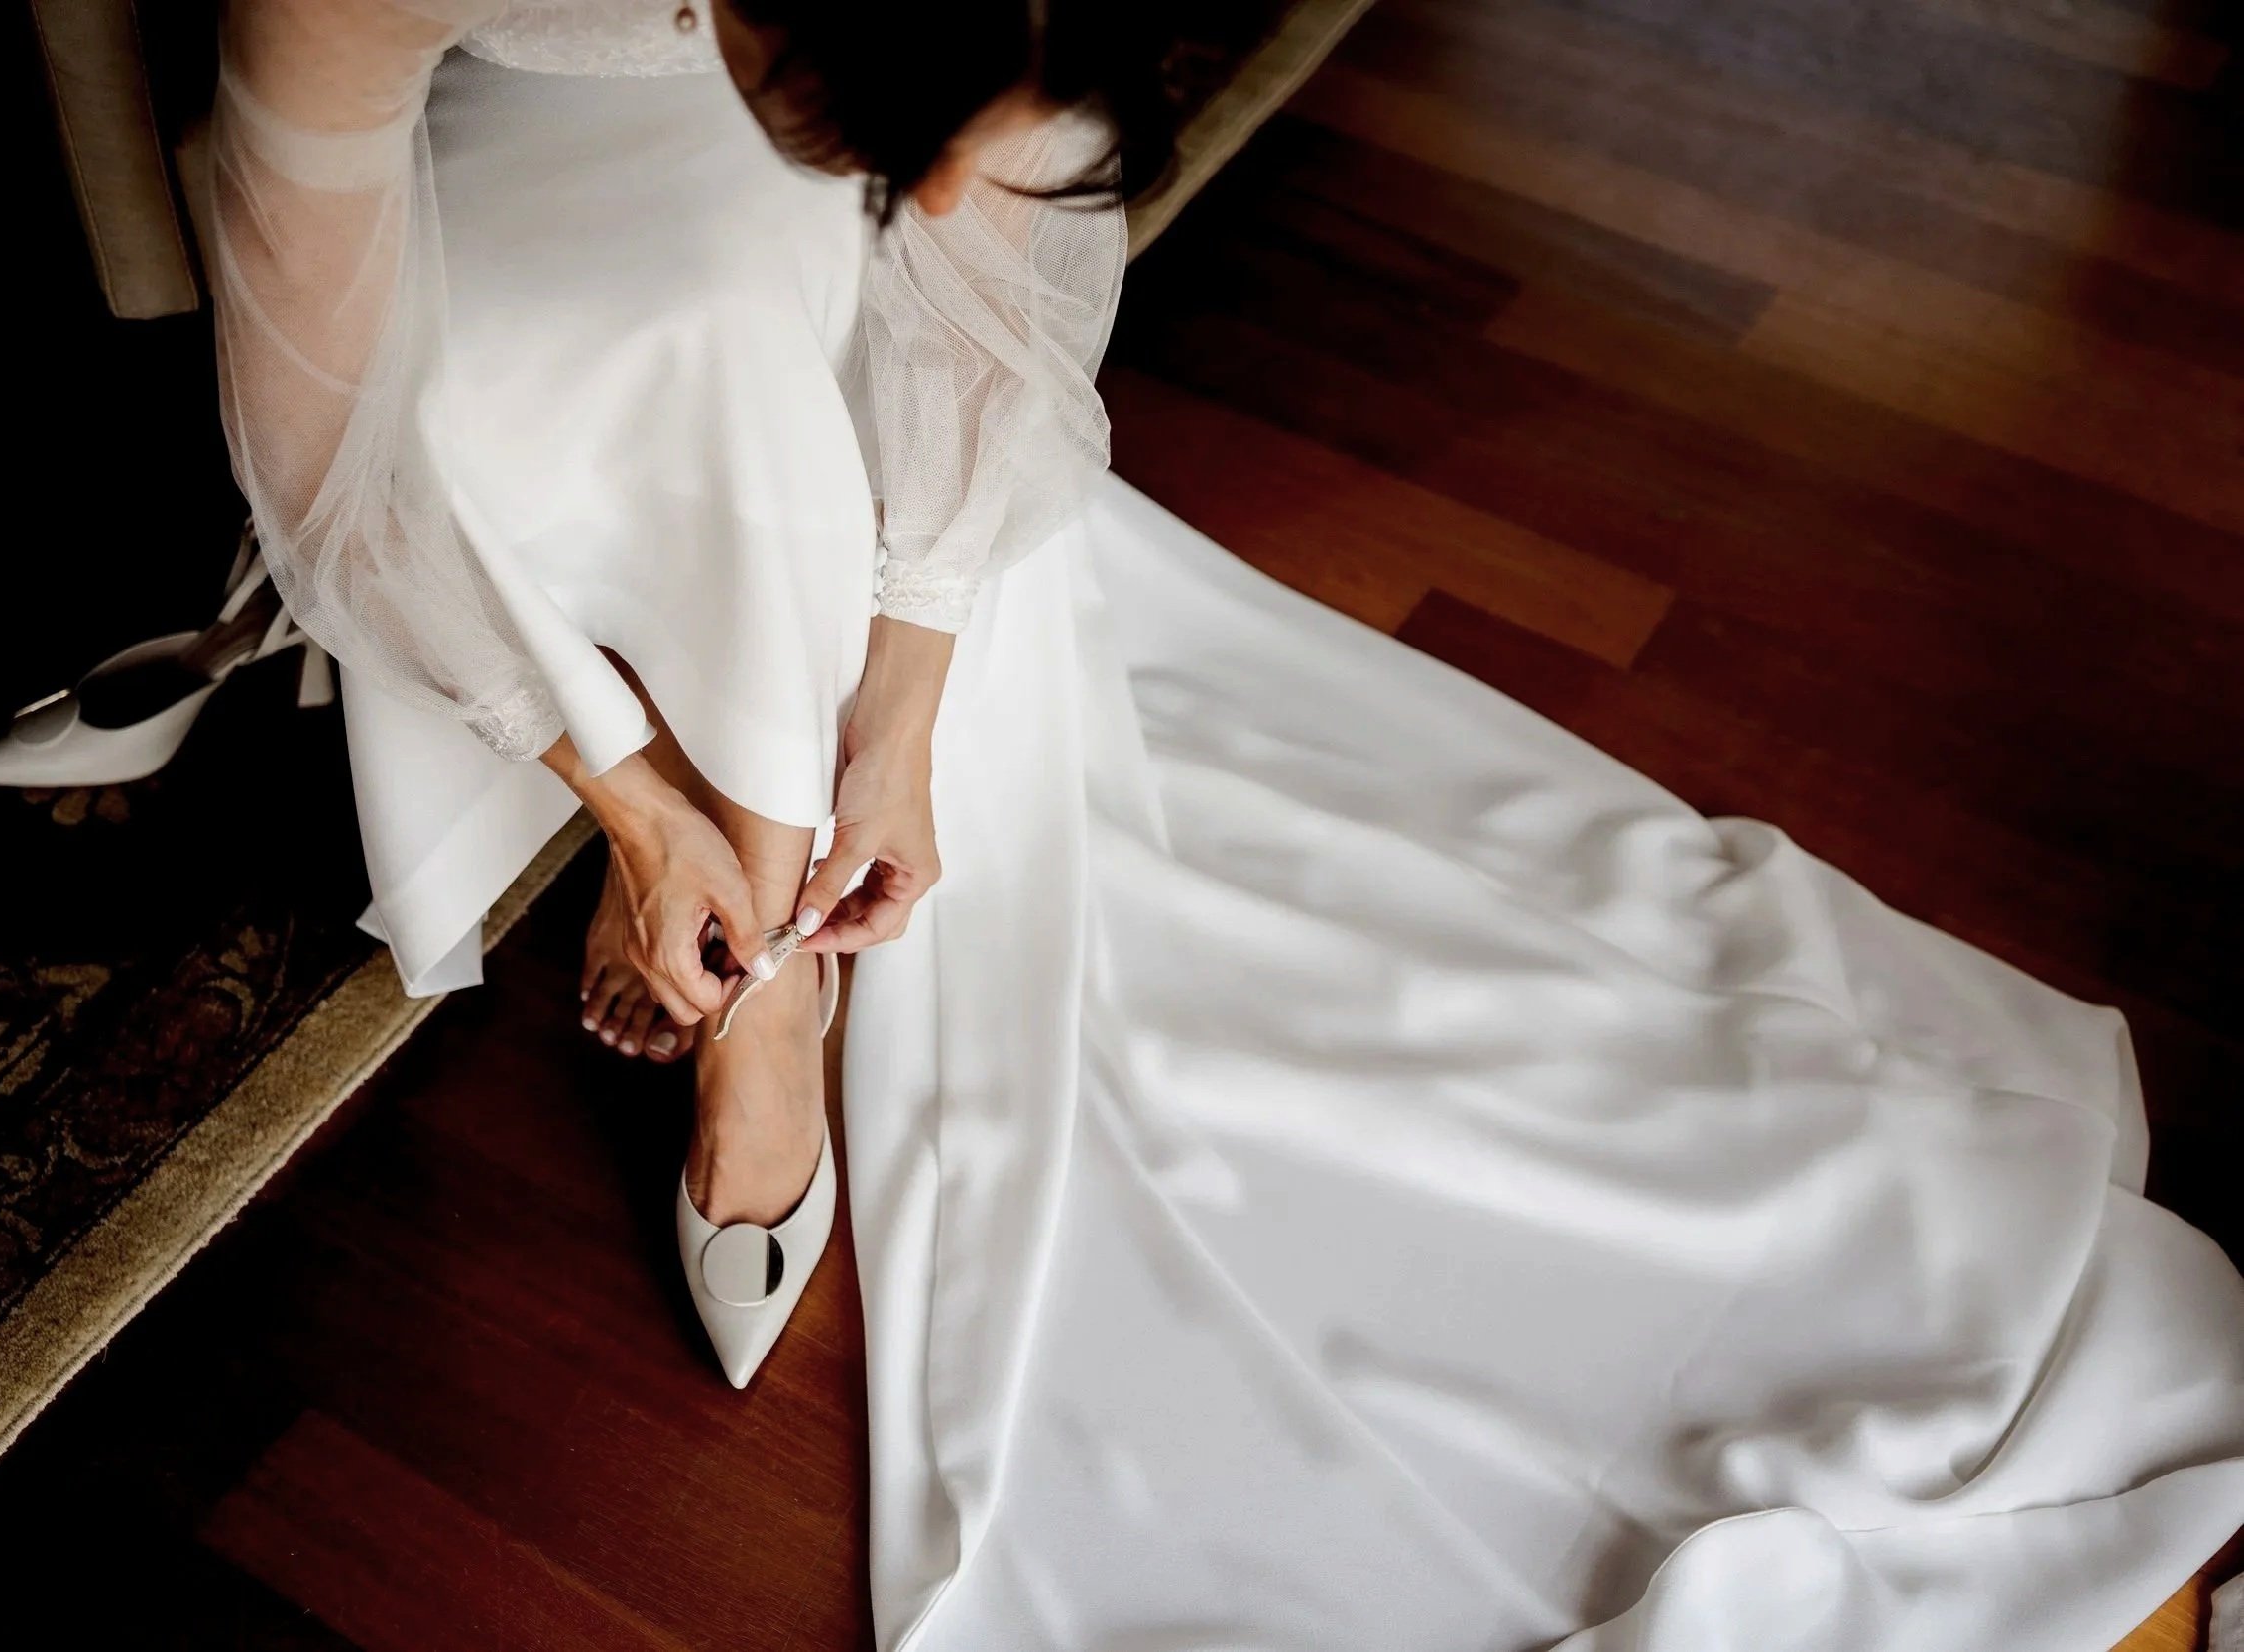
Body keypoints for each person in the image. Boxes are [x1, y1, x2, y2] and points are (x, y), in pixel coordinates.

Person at [209, 3, 2244, 1648]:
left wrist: (902, 714)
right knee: (731, 300)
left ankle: (774, 920)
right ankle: (743, 938)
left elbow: (964, 280)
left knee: (818, 299)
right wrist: (618, 798)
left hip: (818, 154)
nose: (919, 187)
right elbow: (315, 405)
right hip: (492, 193)